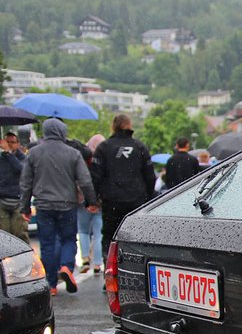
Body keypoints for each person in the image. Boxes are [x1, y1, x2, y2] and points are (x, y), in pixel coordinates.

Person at [19, 118, 98, 295]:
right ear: (63, 132)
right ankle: (66, 266)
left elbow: (25, 183)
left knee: (47, 243)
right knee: (68, 239)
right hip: (67, 204)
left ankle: (52, 284)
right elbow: (85, 181)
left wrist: (24, 207)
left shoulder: (33, 153)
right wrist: (91, 202)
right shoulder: (73, 153)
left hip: (44, 205)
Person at [91, 114, 155, 255]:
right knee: (135, 236)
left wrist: (94, 199)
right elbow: (150, 176)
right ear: (130, 126)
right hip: (136, 201)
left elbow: (95, 176)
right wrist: (148, 197)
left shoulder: (104, 147)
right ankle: (134, 266)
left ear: (113, 126)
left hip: (111, 200)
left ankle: (110, 270)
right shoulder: (139, 147)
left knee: (110, 236)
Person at [77, 134, 106, 273]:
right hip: (100, 203)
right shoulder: (104, 160)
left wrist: (86, 200)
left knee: (83, 231)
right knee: (98, 234)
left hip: (82, 202)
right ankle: (97, 264)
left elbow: (80, 181)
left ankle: (85, 258)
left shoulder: (82, 158)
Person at [0, 130, 29, 243]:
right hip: (2, 200)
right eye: (7, 142)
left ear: (18, 144)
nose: (9, 144)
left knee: (20, 233)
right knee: (4, 234)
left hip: (18, 201)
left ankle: (24, 259)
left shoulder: (23, 158)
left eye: (12, 142)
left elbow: (21, 170)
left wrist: (8, 154)